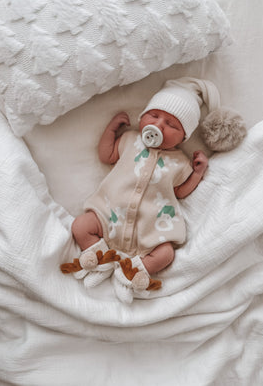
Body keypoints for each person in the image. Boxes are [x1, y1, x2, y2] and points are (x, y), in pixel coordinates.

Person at [61, 77, 246, 303]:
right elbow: (106, 155)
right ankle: (100, 258)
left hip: (149, 228)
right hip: (109, 215)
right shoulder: (130, 140)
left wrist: (197, 173)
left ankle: (133, 271)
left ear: (183, 136)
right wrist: (111, 131)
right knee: (81, 225)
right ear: (142, 117)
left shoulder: (180, 162)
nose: (159, 125)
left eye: (171, 125)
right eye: (154, 116)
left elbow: (180, 191)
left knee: (165, 254)